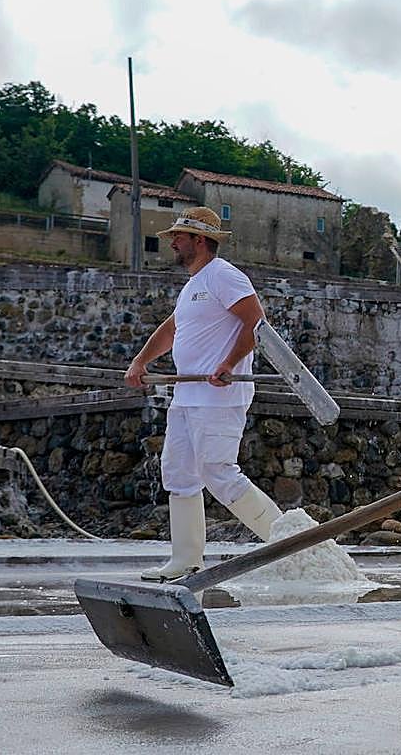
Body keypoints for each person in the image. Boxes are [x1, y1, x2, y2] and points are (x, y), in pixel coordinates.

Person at [125, 206, 282, 582]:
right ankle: (185, 561)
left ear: (200, 239)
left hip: (219, 396)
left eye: (178, 236)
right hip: (187, 395)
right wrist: (141, 361)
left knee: (219, 472)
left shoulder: (224, 276)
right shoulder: (193, 284)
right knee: (178, 474)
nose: (172, 242)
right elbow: (171, 329)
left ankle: (292, 545)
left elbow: (256, 323)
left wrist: (229, 363)